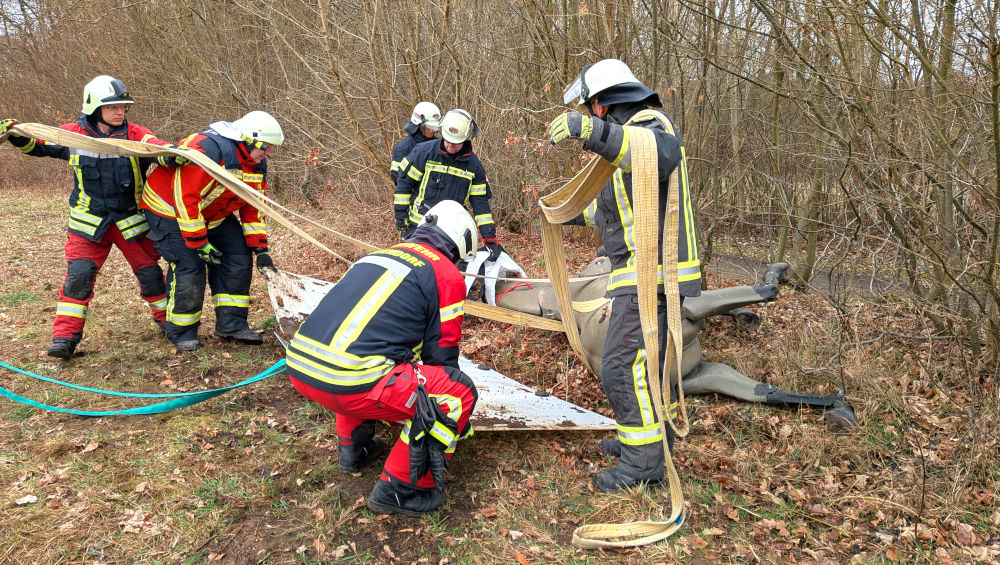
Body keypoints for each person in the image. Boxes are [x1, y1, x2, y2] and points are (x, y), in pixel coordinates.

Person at [548, 59, 702, 492]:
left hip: (653, 274)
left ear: (602, 103)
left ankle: (642, 467)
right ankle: (652, 439)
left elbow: (660, 154)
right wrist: (568, 214)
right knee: (645, 362)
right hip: (641, 274)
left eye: (590, 109)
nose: (590, 115)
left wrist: (589, 133)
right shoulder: (622, 152)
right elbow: (615, 209)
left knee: (619, 366)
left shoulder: (650, 125)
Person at [285, 200, 479, 516]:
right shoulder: (445, 273)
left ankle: (354, 450)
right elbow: (442, 355)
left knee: (361, 360)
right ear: (458, 245)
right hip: (351, 382)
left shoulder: (377, 255)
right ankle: (403, 488)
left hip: (302, 366)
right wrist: (453, 418)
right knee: (457, 392)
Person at [0, 75, 172, 359]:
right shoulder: (72, 134)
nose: (120, 112)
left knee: (152, 276)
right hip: (88, 223)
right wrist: (19, 136)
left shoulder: (135, 134)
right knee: (78, 279)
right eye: (113, 107)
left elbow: (156, 147)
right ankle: (64, 339)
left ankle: (169, 325)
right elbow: (40, 144)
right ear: (94, 108)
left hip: (130, 221)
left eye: (123, 107)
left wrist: (171, 155)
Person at [140, 111, 282, 351]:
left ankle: (232, 325)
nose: (268, 154)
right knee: (190, 266)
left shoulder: (256, 165)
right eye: (266, 147)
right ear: (249, 141)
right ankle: (181, 331)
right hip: (168, 210)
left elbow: (253, 207)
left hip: (210, 214)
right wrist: (198, 242)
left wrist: (260, 249)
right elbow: (186, 198)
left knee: (237, 257)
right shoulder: (208, 151)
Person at [394, 109, 502, 261]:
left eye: (455, 142)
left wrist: (489, 235)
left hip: (451, 234)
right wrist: (400, 216)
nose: (450, 145)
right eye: (447, 140)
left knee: (445, 276)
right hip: (419, 227)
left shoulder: (474, 167)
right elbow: (404, 185)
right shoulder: (424, 153)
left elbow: (481, 205)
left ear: (465, 139)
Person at [390, 101, 441, 184]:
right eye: (429, 127)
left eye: (434, 127)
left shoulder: (437, 144)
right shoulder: (405, 146)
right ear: (419, 125)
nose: (432, 131)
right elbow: (396, 175)